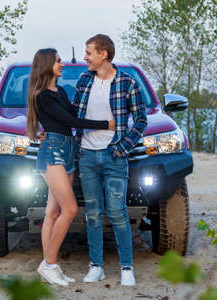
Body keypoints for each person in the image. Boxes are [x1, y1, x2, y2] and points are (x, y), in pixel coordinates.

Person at [26, 48, 115, 287]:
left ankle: (49, 265)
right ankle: (50, 265)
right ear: (47, 65)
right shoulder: (43, 96)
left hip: (68, 151)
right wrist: (106, 124)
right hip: (53, 152)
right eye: (57, 61)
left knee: (53, 213)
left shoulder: (61, 91)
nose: (62, 63)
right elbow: (71, 122)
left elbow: (75, 112)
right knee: (71, 209)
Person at [73, 34, 147, 286]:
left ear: (104, 54)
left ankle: (127, 267)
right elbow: (74, 115)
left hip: (114, 155)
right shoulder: (84, 80)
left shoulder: (127, 83)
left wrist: (122, 148)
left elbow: (140, 121)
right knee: (93, 213)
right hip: (86, 155)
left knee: (117, 212)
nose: (85, 57)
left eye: (89, 52)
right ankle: (97, 266)